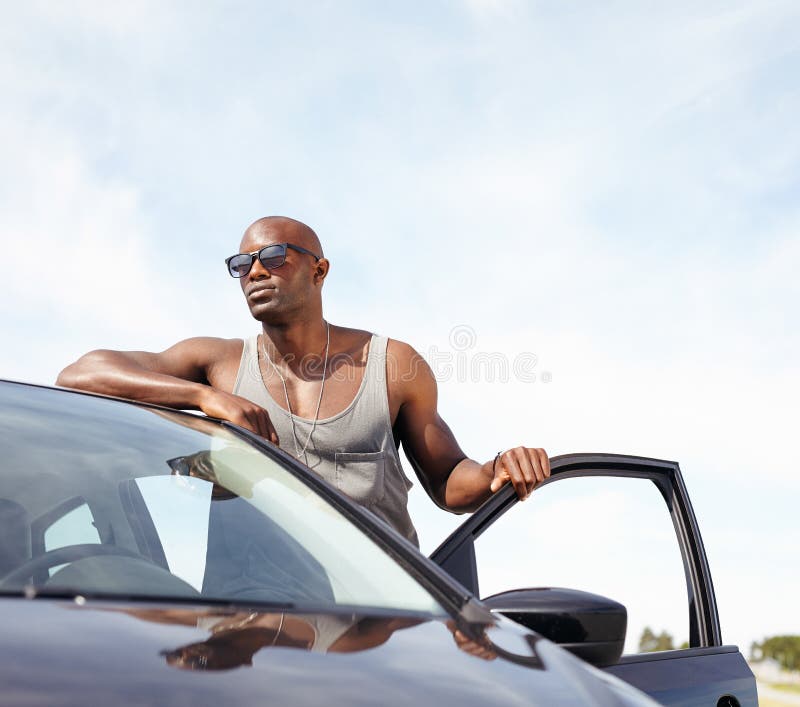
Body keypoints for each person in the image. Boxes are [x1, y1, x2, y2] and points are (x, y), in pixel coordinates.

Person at [57, 216, 550, 546]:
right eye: (241, 264)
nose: (254, 271)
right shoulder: (217, 363)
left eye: (273, 256)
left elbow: (447, 480)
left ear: (319, 270)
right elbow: (79, 375)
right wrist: (206, 398)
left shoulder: (391, 363)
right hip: (246, 626)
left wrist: (497, 471)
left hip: (377, 623)